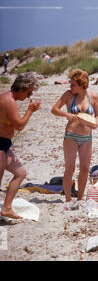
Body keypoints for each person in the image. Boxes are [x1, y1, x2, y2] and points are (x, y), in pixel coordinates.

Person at [51, 69, 98, 208]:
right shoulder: (68, 95)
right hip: (70, 136)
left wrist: (95, 123)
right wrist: (66, 115)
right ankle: (67, 200)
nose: (70, 87)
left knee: (85, 169)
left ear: (82, 85)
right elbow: (54, 109)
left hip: (87, 137)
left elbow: (97, 116)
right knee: (70, 169)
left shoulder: (93, 97)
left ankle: (80, 198)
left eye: (73, 84)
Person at [0, 73, 40, 219]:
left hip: (4, 144)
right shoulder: (9, 101)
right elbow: (20, 126)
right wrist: (30, 110)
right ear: (23, 88)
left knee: (20, 173)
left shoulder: (8, 98)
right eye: (29, 92)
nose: (29, 96)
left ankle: (6, 208)